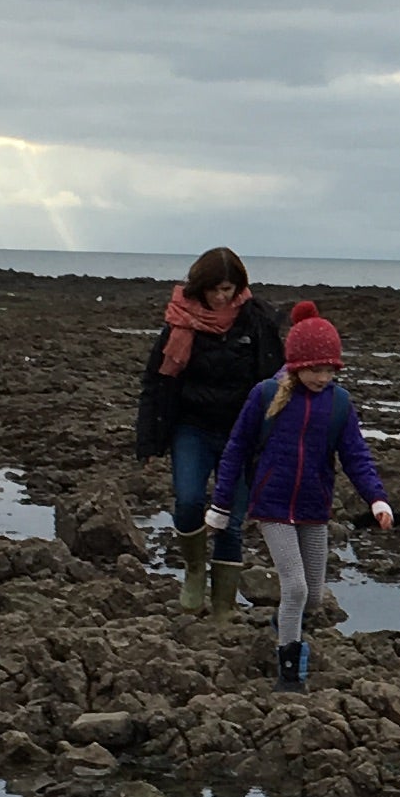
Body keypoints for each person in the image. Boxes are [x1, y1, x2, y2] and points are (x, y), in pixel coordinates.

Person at [213, 302, 394, 687]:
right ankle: (290, 672)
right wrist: (221, 504)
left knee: (312, 597)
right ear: (296, 365)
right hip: (272, 508)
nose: (323, 377)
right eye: (316, 369)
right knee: (293, 586)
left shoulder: (340, 405)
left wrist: (376, 498)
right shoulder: (265, 396)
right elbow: (236, 449)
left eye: (331, 370)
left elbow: (355, 455)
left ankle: (285, 625)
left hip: (314, 509)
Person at [131, 248, 287, 613]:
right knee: (188, 502)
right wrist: (149, 440)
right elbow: (155, 382)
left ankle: (222, 607)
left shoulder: (258, 322)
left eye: (228, 289)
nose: (221, 297)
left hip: (242, 434)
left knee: (232, 523)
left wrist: (279, 437)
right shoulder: (179, 323)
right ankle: (194, 571)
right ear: (200, 287)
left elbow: (280, 382)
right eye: (214, 290)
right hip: (192, 428)